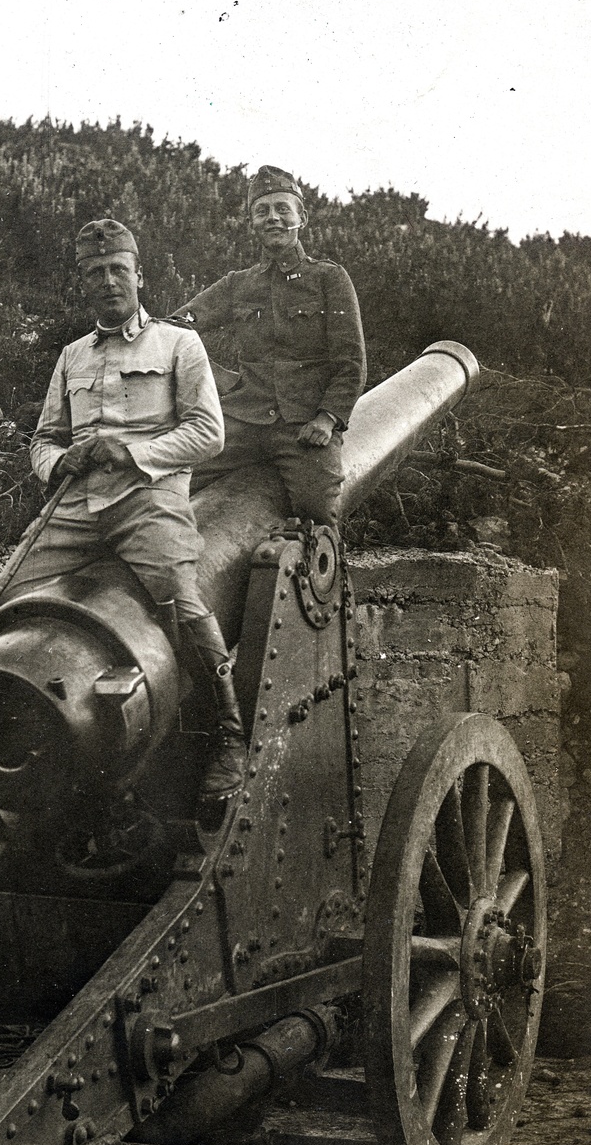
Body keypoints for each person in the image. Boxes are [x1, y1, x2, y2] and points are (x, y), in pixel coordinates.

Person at [21, 217, 246, 799]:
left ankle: (229, 734)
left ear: (139, 276)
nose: (108, 280)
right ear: (84, 283)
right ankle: (16, 718)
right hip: (76, 507)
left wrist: (133, 452)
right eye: (95, 272)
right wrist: (54, 465)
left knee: (183, 601)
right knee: (8, 593)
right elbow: (44, 439)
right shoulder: (71, 356)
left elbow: (208, 434)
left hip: (149, 499)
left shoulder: (178, 344)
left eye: (118, 269)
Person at [169, 165, 366, 528]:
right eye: (262, 211)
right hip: (242, 420)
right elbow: (175, 330)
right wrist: (223, 383)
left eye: (282, 209)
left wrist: (327, 419)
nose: (272, 218)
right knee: (171, 480)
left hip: (303, 425)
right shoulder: (238, 285)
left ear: (301, 217)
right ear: (252, 223)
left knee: (316, 514)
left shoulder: (328, 278)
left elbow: (351, 362)